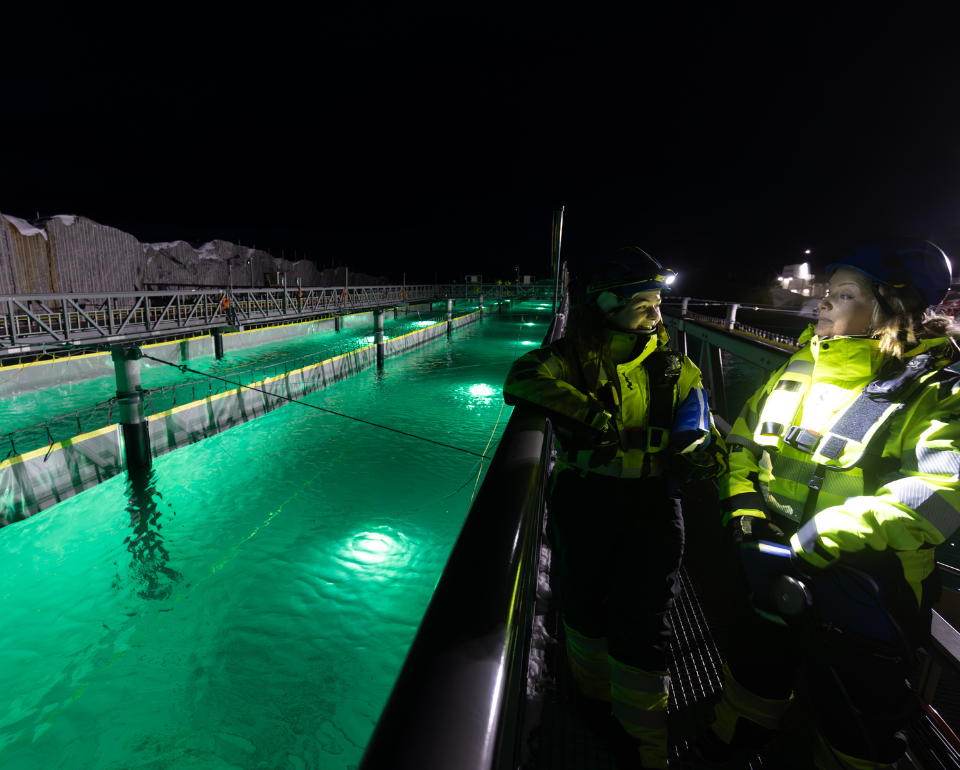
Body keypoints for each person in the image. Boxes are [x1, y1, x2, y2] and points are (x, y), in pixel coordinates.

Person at [694, 238, 960, 769]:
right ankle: (734, 739)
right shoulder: (800, 364)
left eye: (843, 294)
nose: (823, 301)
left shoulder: (937, 388)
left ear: (892, 307)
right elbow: (743, 442)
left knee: (857, 711)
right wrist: (743, 506)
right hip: (773, 548)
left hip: (868, 576)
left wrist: (837, 531)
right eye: (828, 291)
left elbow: (942, 495)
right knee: (755, 662)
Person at [503, 248, 728, 769]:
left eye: (657, 303)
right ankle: (594, 700)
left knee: (645, 620)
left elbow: (703, 431)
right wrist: (587, 416)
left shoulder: (676, 367)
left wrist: (700, 452)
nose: (656, 314)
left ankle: (644, 743)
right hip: (586, 499)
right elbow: (520, 378)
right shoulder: (570, 357)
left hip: (654, 504)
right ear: (605, 306)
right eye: (643, 304)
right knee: (583, 606)